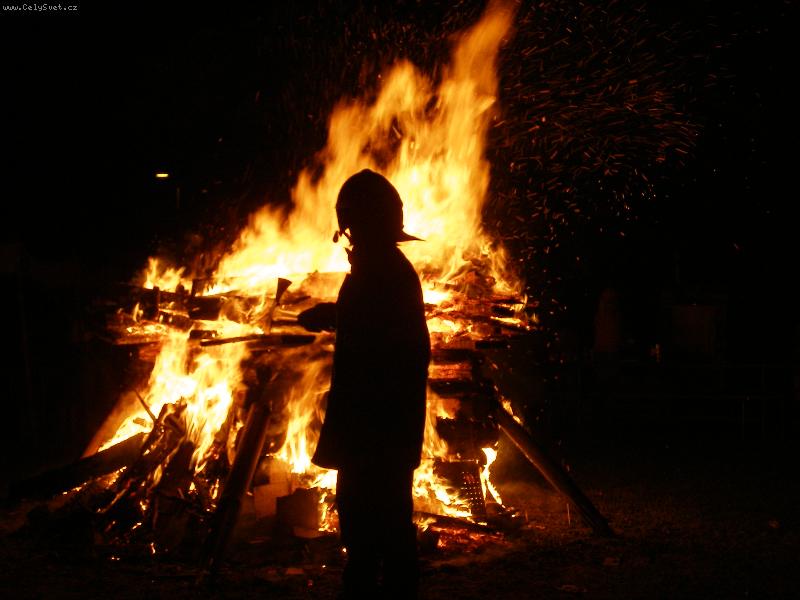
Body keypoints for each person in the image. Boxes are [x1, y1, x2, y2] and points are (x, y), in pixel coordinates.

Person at [311, 169, 430, 599]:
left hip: (374, 428)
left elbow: (381, 352)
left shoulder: (379, 274)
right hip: (386, 427)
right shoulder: (385, 270)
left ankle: (369, 589)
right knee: (386, 518)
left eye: (352, 228)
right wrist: (330, 313)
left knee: (371, 520)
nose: (348, 238)